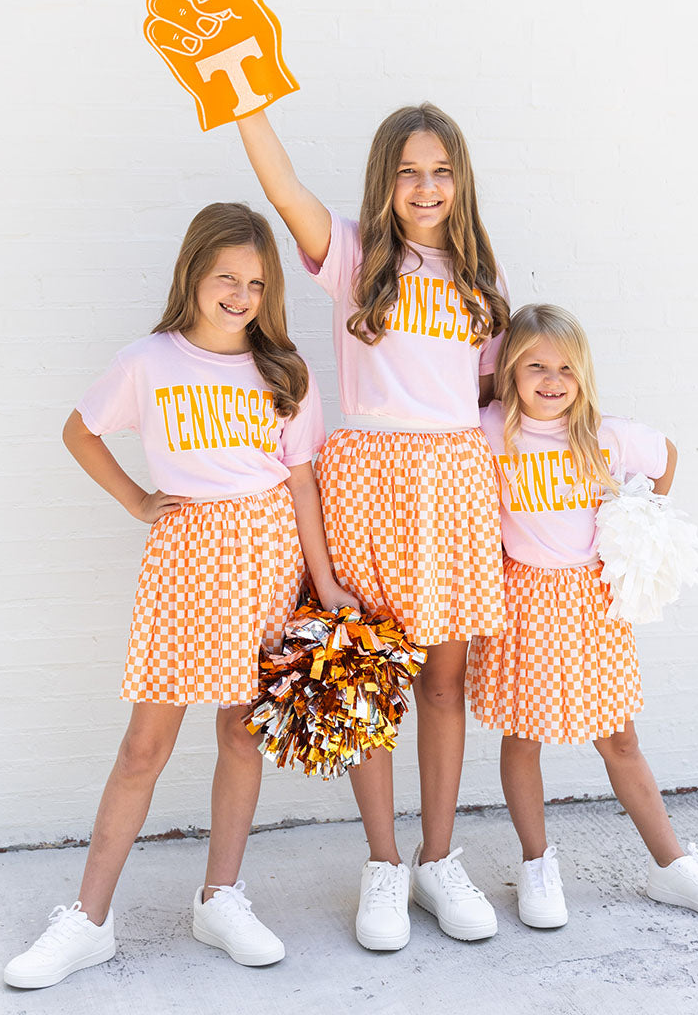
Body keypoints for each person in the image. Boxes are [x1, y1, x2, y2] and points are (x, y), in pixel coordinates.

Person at [4, 203, 354, 989]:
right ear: (193, 273)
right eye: (226, 277)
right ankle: (88, 918)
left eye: (256, 283)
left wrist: (325, 580)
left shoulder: (284, 371)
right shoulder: (148, 361)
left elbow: (301, 481)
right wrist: (136, 499)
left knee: (241, 733)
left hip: (268, 559)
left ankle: (220, 897)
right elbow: (80, 430)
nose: (241, 295)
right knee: (145, 746)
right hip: (185, 564)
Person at [234, 103, 510, 950]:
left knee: (443, 685)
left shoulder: (482, 280)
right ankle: (384, 863)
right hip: (367, 478)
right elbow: (284, 190)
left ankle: (438, 860)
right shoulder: (355, 255)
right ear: (385, 179)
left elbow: (491, 399)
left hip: (454, 480)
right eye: (408, 171)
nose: (426, 187)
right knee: (366, 678)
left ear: (460, 180)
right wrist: (244, 100)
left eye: (441, 171)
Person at [468, 303, 698, 927]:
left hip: (592, 604)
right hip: (521, 599)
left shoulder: (606, 434)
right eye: (536, 366)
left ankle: (671, 866)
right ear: (510, 370)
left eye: (566, 368)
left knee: (619, 736)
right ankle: (536, 864)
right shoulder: (490, 430)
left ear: (584, 374)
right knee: (523, 735)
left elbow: (665, 456)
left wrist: (642, 520)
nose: (552, 380)